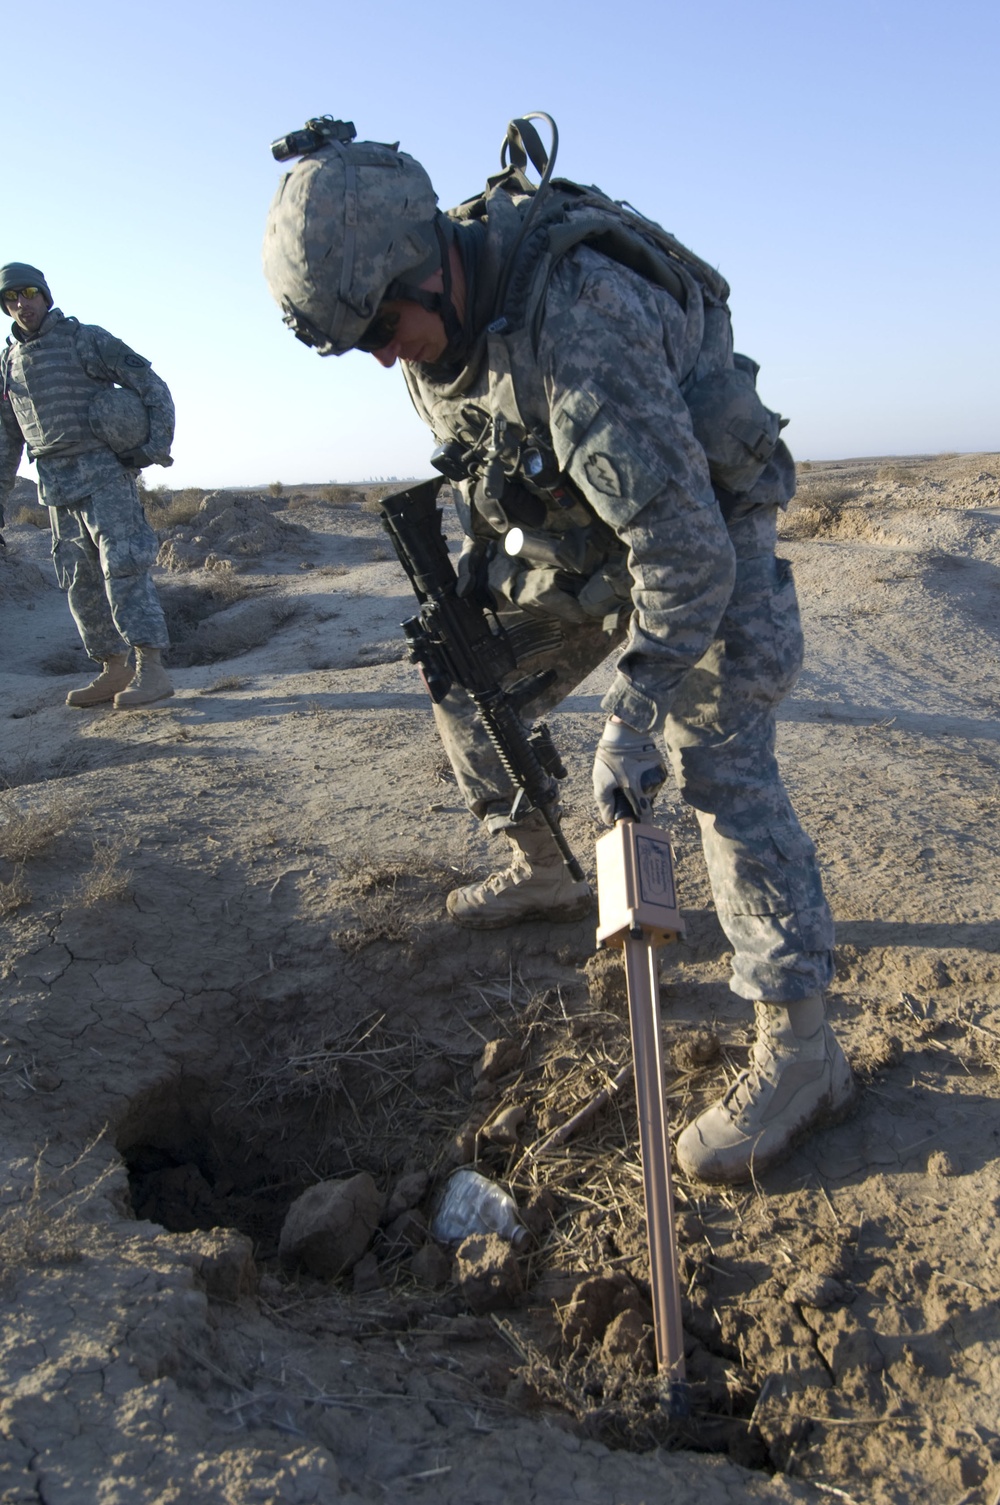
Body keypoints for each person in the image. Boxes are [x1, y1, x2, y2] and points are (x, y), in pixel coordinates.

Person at [260, 116, 856, 1185]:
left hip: (703, 529)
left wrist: (629, 718)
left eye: (387, 325)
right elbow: (492, 447)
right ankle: (539, 864)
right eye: (364, 343)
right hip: (589, 524)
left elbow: (683, 557)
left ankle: (805, 1052)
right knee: (465, 667)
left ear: (428, 263)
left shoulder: (582, 329)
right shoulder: (437, 312)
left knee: (715, 760)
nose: (386, 354)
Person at [0, 262, 175, 708]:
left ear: (44, 295)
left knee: (124, 568)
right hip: (55, 486)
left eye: (29, 294)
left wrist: (154, 446)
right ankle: (112, 668)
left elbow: (150, 384)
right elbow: (7, 436)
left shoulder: (84, 339)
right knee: (79, 581)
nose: (22, 304)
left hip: (104, 477)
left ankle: (150, 668)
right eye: (12, 299)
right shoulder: (10, 363)